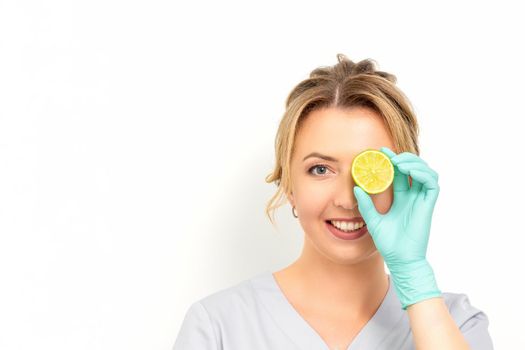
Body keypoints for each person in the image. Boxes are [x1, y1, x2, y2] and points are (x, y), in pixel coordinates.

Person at [172, 54, 494, 350]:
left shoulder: (456, 323)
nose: (347, 199)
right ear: (288, 184)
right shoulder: (218, 327)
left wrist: (414, 277)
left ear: (405, 180)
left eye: (368, 170)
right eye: (321, 169)